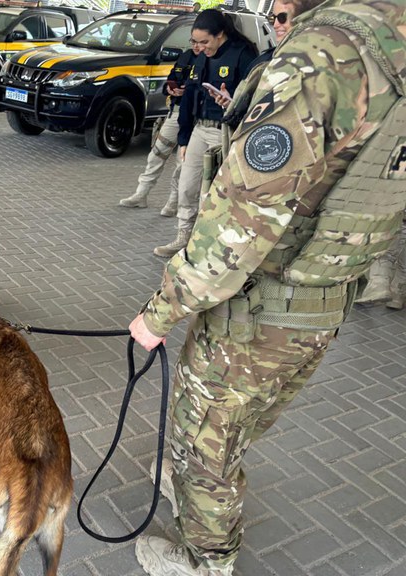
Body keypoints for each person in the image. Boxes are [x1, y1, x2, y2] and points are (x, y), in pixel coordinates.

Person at [130, 1, 406, 575]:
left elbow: (239, 224)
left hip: (260, 304)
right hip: (327, 295)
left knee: (203, 437)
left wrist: (159, 313)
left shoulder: (322, 56)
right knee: (238, 424)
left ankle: (205, 559)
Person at [153, 9, 256, 258]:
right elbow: (189, 97)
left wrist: (232, 103)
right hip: (200, 128)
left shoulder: (243, 54)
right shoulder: (200, 58)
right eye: (194, 42)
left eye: (204, 42)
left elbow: (254, 97)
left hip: (226, 132)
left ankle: (204, 244)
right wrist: (184, 138)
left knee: (213, 194)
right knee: (187, 186)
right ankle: (183, 237)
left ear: (220, 35)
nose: (199, 47)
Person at [119, 42, 202, 214]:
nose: (196, 46)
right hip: (176, 111)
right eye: (193, 42)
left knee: (183, 161)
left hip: (197, 116)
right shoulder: (185, 57)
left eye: (200, 42)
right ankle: (141, 194)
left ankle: (174, 201)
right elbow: (170, 79)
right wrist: (170, 89)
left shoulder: (211, 60)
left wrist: (191, 91)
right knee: (157, 153)